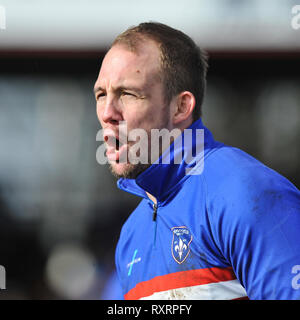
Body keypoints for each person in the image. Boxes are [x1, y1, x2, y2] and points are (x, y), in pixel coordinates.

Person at [94, 22, 300, 300]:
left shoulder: (246, 193)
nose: (108, 113)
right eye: (101, 94)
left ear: (181, 107)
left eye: (128, 94)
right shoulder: (131, 233)